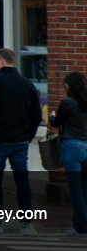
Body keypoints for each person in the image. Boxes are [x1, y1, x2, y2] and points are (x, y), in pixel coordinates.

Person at [0, 48, 42, 236]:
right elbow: (36, 115)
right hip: (20, 140)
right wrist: (28, 135)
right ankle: (26, 225)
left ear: (2, 60)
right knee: (22, 181)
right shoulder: (27, 83)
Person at [53, 71, 87, 237]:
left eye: (65, 84)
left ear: (70, 85)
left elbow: (56, 122)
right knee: (85, 186)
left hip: (72, 146)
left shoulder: (67, 102)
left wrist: (52, 116)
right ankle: (78, 223)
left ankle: (82, 227)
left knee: (75, 188)